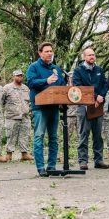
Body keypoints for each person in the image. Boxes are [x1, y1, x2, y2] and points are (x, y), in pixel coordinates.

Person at [26, 42, 66, 177]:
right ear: (40, 53)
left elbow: (61, 85)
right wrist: (45, 81)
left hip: (54, 107)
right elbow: (31, 82)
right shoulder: (34, 67)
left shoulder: (56, 69)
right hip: (40, 108)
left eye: (51, 51)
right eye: (47, 51)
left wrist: (67, 85)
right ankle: (41, 167)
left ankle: (52, 166)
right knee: (39, 136)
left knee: (54, 137)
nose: (50, 53)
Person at [72, 47, 109, 170]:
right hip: (84, 106)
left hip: (98, 106)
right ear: (84, 57)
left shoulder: (99, 70)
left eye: (93, 55)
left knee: (98, 134)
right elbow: (78, 87)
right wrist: (94, 96)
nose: (92, 57)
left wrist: (101, 96)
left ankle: (99, 160)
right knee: (84, 133)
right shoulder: (78, 71)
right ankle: (83, 161)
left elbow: (105, 84)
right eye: (89, 55)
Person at [1, 69, 34, 162]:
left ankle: (24, 154)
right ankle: (9, 154)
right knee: (10, 135)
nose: (19, 77)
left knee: (25, 135)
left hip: (25, 117)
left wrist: (29, 111)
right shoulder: (7, 88)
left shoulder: (26, 88)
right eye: (17, 75)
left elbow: (29, 101)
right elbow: (1, 101)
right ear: (13, 77)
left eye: (21, 76)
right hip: (12, 116)